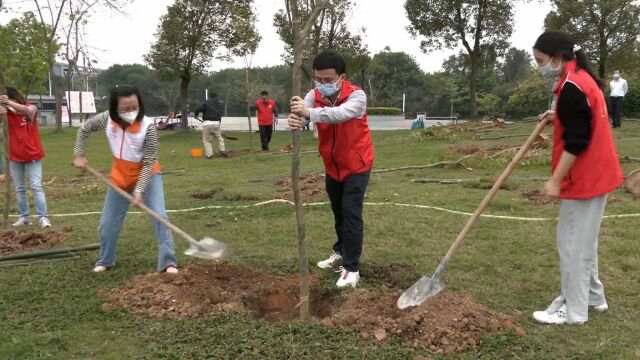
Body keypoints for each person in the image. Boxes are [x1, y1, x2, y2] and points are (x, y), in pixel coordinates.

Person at [531, 31, 623, 325]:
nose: (539, 67)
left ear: (558, 58)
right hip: (598, 174)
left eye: (541, 61)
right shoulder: (580, 78)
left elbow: (576, 142)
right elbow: (579, 116)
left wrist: (555, 180)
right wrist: (556, 115)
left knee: (571, 244)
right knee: (584, 242)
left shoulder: (572, 86)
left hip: (585, 178)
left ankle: (572, 310)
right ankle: (594, 298)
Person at [288, 51, 373, 288]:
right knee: (338, 212)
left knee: (351, 213)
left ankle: (351, 268)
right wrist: (296, 120)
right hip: (332, 166)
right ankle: (340, 252)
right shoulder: (312, 95)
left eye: (328, 80)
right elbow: (302, 117)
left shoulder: (357, 96)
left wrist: (309, 114)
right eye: (318, 79)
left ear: (341, 77)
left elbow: (339, 115)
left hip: (357, 164)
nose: (322, 85)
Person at [73, 85, 178, 274]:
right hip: (120, 178)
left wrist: (139, 190)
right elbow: (84, 129)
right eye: (125, 109)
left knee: (160, 216)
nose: (131, 112)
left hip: (148, 175)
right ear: (115, 108)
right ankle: (105, 260)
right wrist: (79, 154)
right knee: (108, 223)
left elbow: (148, 162)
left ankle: (168, 263)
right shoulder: (107, 119)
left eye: (135, 107)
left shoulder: (148, 127)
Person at [0, 87, 51, 228]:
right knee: (19, 188)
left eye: (6, 99)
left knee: (36, 186)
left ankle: (43, 218)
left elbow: (27, 111)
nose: (4, 103)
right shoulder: (5, 114)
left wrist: (9, 103)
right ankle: (24, 217)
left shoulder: (30, 108)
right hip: (15, 156)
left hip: (33, 154)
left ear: (13, 97)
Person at [194, 93, 227, 159]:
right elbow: (220, 114)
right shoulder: (219, 104)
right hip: (217, 123)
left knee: (207, 140)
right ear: (216, 97)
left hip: (207, 123)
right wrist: (219, 123)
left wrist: (196, 114)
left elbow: (198, 109)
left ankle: (209, 156)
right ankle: (223, 150)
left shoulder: (206, 103)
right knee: (219, 138)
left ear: (209, 97)